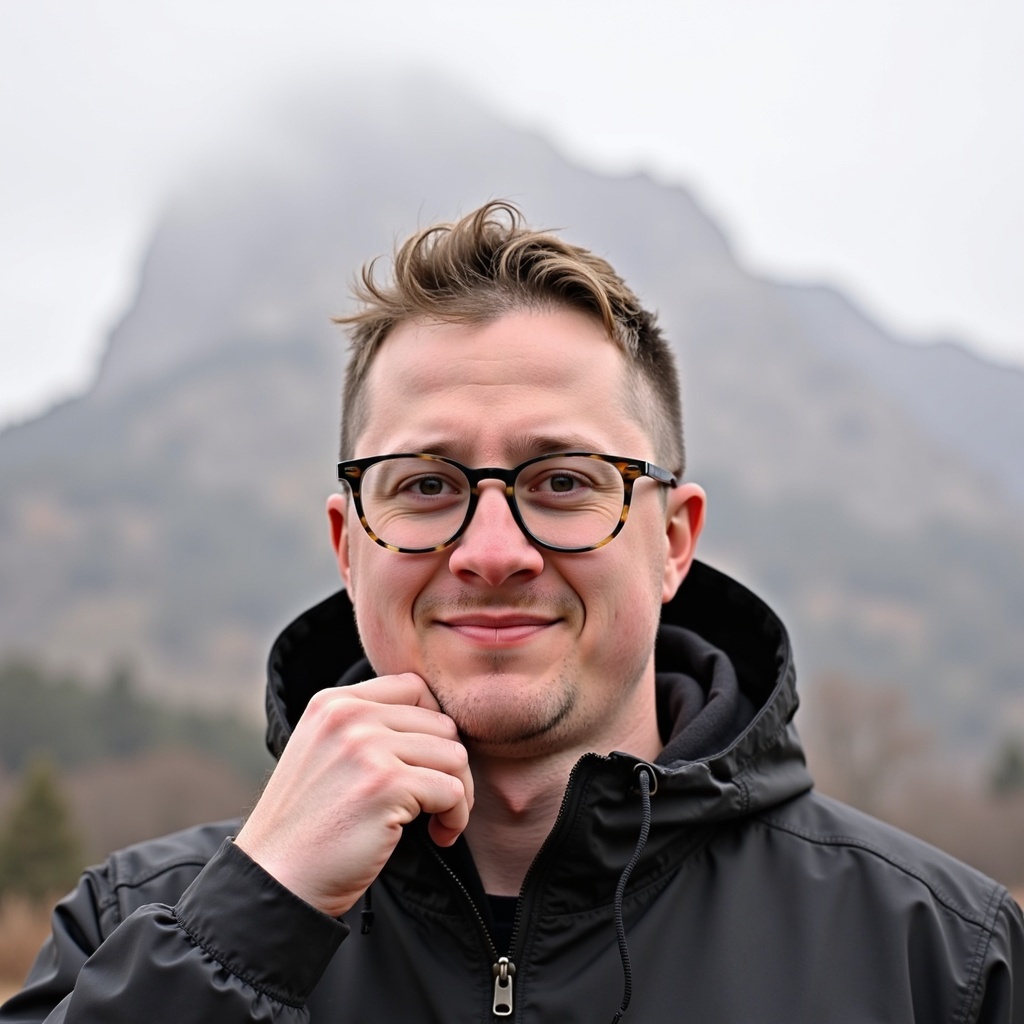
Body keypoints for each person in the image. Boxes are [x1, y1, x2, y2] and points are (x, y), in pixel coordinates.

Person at [2, 201, 1021, 1023]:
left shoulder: (939, 959)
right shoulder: (133, 928)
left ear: (671, 540)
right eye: (425, 486)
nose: (493, 553)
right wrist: (251, 922)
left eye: (564, 481)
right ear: (347, 543)